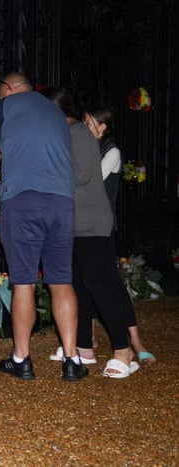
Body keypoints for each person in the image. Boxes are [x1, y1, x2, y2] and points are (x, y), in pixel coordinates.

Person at [0, 73, 87, 381]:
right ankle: (72, 359)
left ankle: (22, 358)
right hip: (60, 202)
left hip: (23, 203)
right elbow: (19, 154)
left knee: (24, 282)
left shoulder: (6, 106)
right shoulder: (55, 112)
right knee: (61, 280)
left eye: (0, 90)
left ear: (10, 88)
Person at [42, 87, 138, 378]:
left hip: (91, 222)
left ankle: (124, 350)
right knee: (78, 285)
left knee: (98, 284)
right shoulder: (65, 134)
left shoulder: (78, 134)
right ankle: (84, 347)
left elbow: (82, 175)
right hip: (74, 222)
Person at [83, 107, 156, 364]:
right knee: (86, 280)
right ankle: (88, 339)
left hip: (102, 226)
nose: (84, 126)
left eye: (88, 122)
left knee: (110, 281)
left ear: (102, 127)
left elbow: (92, 179)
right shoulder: (85, 149)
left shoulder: (111, 152)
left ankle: (135, 341)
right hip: (83, 225)